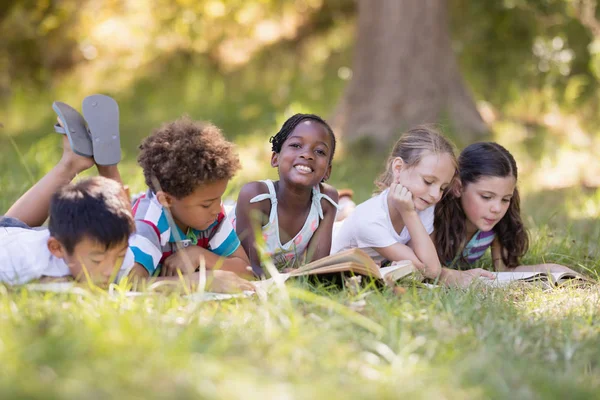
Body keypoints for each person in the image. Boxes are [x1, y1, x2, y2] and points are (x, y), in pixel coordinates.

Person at [331, 126, 495, 286]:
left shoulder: (422, 205)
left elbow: (424, 261)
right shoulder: (370, 221)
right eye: (428, 181)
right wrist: (409, 214)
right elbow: (431, 270)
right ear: (398, 168)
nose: (436, 195)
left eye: (443, 187)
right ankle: (342, 205)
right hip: (329, 251)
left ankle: (344, 205)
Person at [129, 116, 252, 279]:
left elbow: (247, 270)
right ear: (167, 200)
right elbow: (131, 284)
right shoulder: (148, 224)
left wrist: (199, 255)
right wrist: (191, 283)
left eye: (219, 199)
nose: (216, 209)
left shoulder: (212, 217)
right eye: (206, 205)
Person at [433, 142, 577, 276]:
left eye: (505, 199)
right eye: (486, 197)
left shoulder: (494, 226)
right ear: (458, 187)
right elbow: (423, 265)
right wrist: (456, 276)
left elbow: (504, 269)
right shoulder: (434, 216)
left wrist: (549, 269)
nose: (497, 208)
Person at [234, 114, 339, 275]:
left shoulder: (326, 202)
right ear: (275, 158)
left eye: (319, 151)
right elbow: (249, 269)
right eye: (296, 145)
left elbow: (317, 272)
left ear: (328, 171)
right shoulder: (256, 197)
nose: (307, 155)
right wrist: (289, 277)